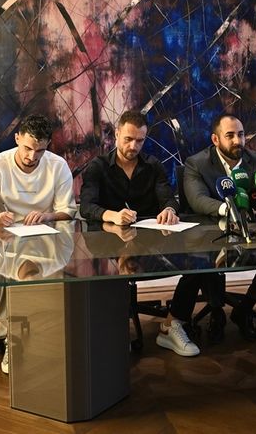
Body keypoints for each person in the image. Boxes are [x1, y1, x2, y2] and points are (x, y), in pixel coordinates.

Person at [80, 110, 200, 357]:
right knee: (96, 274)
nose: (133, 146)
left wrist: (169, 209)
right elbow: (86, 206)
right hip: (109, 244)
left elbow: (169, 199)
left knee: (197, 265)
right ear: (116, 135)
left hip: (150, 242)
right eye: (128, 139)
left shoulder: (153, 165)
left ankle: (171, 324)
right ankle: (112, 330)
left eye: (140, 141)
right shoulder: (98, 167)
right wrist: (111, 215)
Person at [0, 115, 77, 374]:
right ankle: (10, 337)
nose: (32, 156)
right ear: (17, 139)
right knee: (3, 271)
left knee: (62, 269)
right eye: (27, 148)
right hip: (5, 238)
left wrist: (47, 216)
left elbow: (68, 212)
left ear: (48, 146)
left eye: (40, 150)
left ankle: (49, 332)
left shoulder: (57, 166)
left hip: (46, 238)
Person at [182, 113, 256, 342]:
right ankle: (216, 311)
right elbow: (197, 199)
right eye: (229, 135)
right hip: (212, 233)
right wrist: (228, 209)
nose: (237, 141)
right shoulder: (197, 163)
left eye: (240, 135)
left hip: (254, 231)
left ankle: (245, 307)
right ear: (215, 139)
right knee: (206, 257)